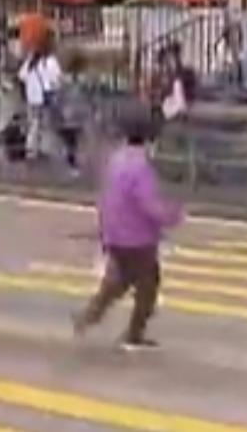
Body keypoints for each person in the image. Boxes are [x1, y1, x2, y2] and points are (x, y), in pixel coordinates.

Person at [72, 104, 185, 351]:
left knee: (118, 281)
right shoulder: (141, 167)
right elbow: (149, 204)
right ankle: (133, 333)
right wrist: (173, 215)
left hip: (115, 235)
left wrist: (105, 231)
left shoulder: (116, 161)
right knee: (147, 285)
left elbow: (106, 198)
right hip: (138, 239)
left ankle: (88, 316)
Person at [18, 33, 62, 160]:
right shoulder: (50, 61)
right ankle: (43, 148)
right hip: (43, 98)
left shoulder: (30, 62)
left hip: (31, 98)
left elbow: (21, 76)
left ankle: (31, 149)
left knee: (33, 124)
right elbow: (56, 79)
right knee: (45, 124)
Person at [56, 50, 92, 176]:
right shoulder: (79, 81)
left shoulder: (65, 80)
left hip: (70, 114)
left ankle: (72, 163)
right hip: (74, 115)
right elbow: (87, 97)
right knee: (73, 141)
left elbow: (59, 97)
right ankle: (72, 163)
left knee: (72, 141)